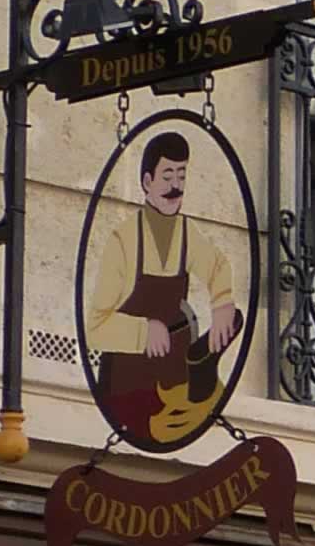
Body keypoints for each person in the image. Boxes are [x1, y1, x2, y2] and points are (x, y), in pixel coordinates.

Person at [82, 125, 246, 447]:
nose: (175, 187)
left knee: (208, 398)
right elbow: (96, 328)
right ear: (147, 182)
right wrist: (144, 331)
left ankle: (201, 371)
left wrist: (222, 303)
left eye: (181, 177)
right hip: (131, 390)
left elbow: (217, 266)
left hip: (175, 381)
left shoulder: (187, 233)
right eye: (167, 176)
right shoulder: (124, 240)